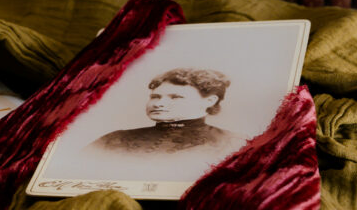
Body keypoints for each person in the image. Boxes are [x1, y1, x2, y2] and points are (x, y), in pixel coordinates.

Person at [83, 68, 245, 181]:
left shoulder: (234, 143)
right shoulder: (114, 139)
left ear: (210, 101)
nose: (158, 103)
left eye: (175, 97)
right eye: (155, 97)